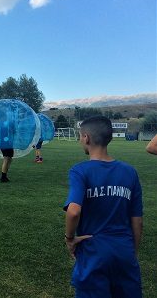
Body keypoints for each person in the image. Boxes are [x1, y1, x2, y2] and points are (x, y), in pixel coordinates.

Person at [63, 116, 143, 298]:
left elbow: (74, 211)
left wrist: (69, 238)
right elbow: (137, 221)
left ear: (86, 138)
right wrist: (132, 252)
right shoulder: (130, 172)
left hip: (93, 252)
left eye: (79, 136)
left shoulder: (80, 170)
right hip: (123, 250)